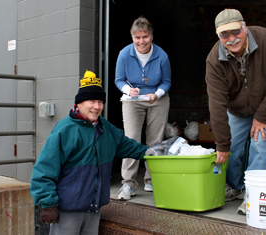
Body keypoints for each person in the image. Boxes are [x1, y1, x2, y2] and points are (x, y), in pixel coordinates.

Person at [30, 70, 149, 235]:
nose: (97, 107)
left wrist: (151, 152)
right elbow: (44, 170)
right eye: (91, 101)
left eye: (100, 102)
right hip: (67, 209)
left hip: (93, 208)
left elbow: (128, 146)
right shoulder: (65, 130)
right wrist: (48, 204)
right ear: (79, 103)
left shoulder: (105, 128)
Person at [205, 9, 266, 215]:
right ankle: (234, 187)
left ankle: (252, 194)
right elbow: (216, 104)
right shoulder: (214, 60)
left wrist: (261, 117)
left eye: (236, 31)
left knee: (260, 144)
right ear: (218, 36)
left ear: (244, 27)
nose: (232, 39)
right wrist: (222, 144)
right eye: (225, 35)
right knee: (231, 147)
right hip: (238, 108)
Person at [115, 16, 171, 200]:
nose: (141, 41)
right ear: (132, 38)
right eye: (137, 37)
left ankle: (151, 179)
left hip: (157, 98)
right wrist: (128, 90)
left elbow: (166, 81)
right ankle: (128, 184)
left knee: (155, 140)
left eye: (145, 37)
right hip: (132, 100)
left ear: (151, 36)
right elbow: (119, 80)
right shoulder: (124, 54)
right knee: (131, 139)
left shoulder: (161, 55)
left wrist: (157, 94)